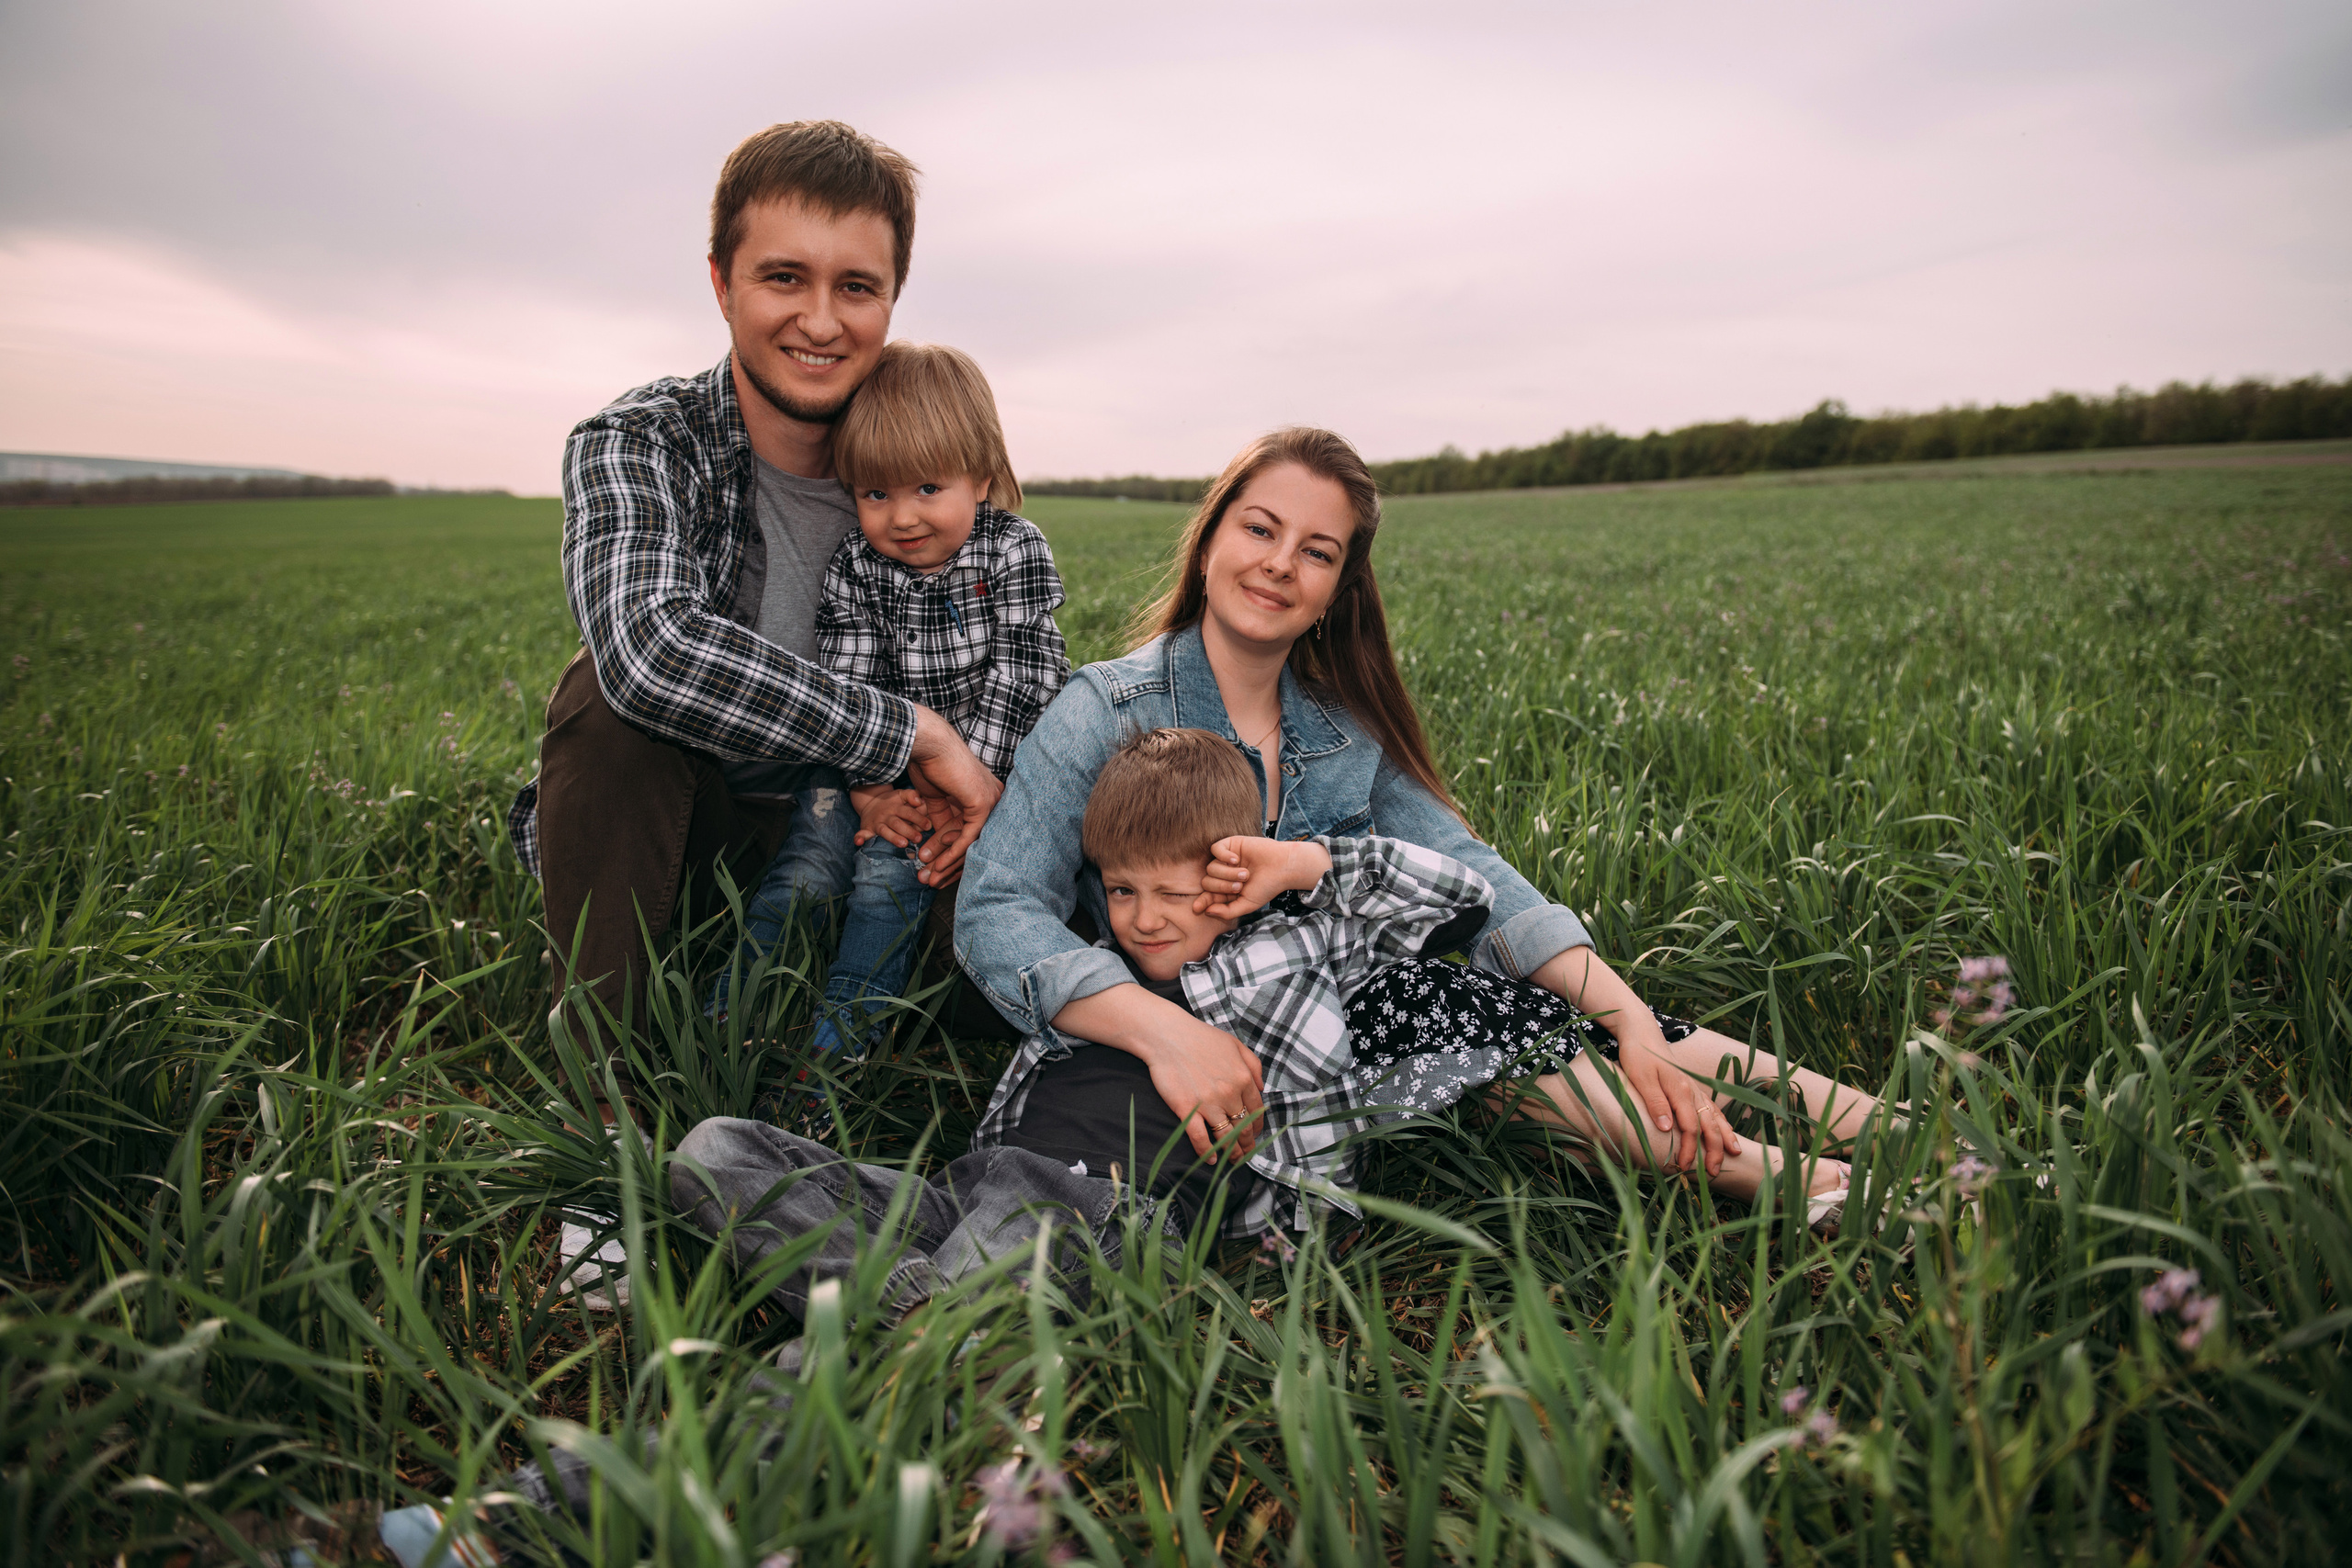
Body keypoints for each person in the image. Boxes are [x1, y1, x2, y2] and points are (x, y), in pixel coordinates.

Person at [954, 426, 1891, 1209]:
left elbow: (1476, 879)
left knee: (1582, 1019)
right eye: (1260, 529)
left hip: (1339, 1027)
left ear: (1336, 590)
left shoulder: (1342, 734)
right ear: (1210, 541)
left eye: (1316, 552)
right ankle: (1807, 1186)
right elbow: (998, 909)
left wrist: (1630, 1016)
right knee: (1453, 1025)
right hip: (1189, 1039)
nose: (1280, 564)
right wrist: (1167, 1035)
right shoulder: (1108, 710)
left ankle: (1888, 1129)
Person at [503, 119, 1006, 1062]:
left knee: (1021, 923)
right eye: (785, 278)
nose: (820, 321)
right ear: (720, 282)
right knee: (604, 701)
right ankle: (611, 1094)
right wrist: (911, 733)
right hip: (698, 839)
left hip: (887, 842)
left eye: (855, 287)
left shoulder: (924, 464)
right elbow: (649, 650)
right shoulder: (642, 440)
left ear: (891, 298)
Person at [710, 341, 1069, 1069]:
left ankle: (838, 1048)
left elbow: (1025, 678)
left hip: (975, 779)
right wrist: (871, 793)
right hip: (863, 766)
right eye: (875, 494)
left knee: (887, 880)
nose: (901, 517)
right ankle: (730, 1020)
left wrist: (961, 788)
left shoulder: (1012, 552)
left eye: (927, 489)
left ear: (983, 475)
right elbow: (850, 682)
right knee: (806, 868)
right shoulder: (856, 565)